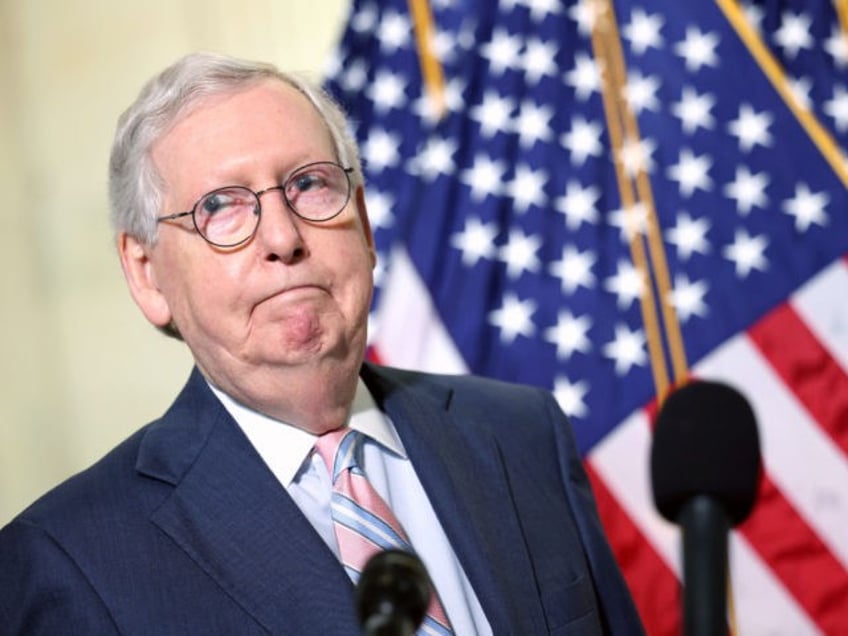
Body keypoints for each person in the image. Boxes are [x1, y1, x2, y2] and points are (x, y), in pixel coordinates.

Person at [0, 52, 644, 635]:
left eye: (309, 184)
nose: (283, 236)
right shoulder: (70, 562)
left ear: (362, 222)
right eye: (221, 206)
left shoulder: (521, 435)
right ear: (147, 275)